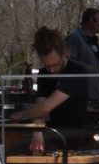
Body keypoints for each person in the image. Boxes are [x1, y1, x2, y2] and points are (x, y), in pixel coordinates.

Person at [16, 26, 93, 154]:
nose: (51, 70)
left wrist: (22, 114)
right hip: (53, 133)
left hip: (75, 136)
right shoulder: (43, 74)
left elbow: (45, 107)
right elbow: (40, 106)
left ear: (64, 53)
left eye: (55, 64)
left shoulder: (76, 71)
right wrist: (37, 132)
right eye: (47, 66)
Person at [62, 7, 99, 78]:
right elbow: (66, 62)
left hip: (95, 88)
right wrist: (83, 68)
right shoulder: (74, 39)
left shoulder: (96, 42)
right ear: (92, 20)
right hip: (79, 87)